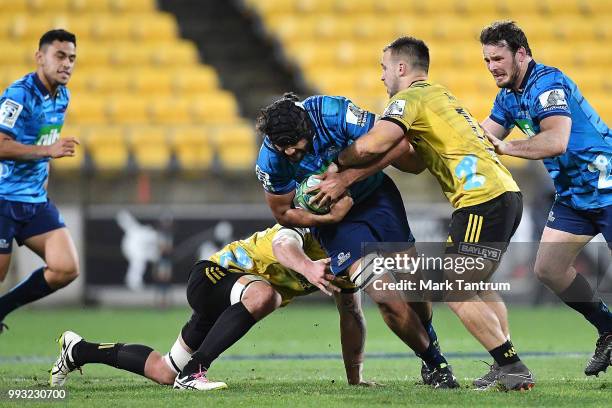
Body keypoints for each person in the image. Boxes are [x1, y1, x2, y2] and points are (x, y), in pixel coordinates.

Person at [311, 36, 533, 391]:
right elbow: (414, 164)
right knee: (477, 285)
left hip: (481, 199)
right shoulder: (439, 94)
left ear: (401, 68)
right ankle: (502, 362)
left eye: (384, 68)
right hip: (504, 193)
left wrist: (334, 164)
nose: (382, 77)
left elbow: (373, 143)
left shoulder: (408, 99)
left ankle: (513, 367)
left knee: (455, 289)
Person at [255, 93, 457, 388]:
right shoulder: (271, 160)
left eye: (296, 149)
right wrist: (330, 219)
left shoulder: (332, 112)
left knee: (414, 286)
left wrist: (345, 179)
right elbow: (284, 212)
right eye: (283, 149)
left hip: (377, 197)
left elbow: (396, 143)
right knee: (385, 296)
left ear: (307, 128)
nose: (290, 155)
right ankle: (436, 363)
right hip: (338, 226)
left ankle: (428, 336)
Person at [50, 225, 373, 390]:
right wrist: (307, 267)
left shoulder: (344, 260)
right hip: (211, 277)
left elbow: (351, 314)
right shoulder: (307, 225)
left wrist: (355, 380)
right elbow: (283, 244)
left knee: (164, 372)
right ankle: (195, 372)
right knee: (265, 296)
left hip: (229, 304)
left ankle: (78, 350)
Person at [478, 20, 612, 377]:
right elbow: (481, 139)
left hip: (608, 185)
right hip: (574, 196)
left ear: (521, 54)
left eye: (498, 58)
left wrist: (506, 147)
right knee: (549, 269)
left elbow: (556, 141)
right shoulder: (508, 96)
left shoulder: (547, 84)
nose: (492, 67)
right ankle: (609, 329)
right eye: (487, 60)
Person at [0, 29, 80, 331]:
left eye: (72, 58)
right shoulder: (19, 94)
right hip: (4, 198)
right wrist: (48, 151)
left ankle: (2, 308)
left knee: (66, 268)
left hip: (35, 201)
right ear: (40, 57)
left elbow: (42, 142)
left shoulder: (62, 96)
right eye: (60, 56)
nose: (67, 64)